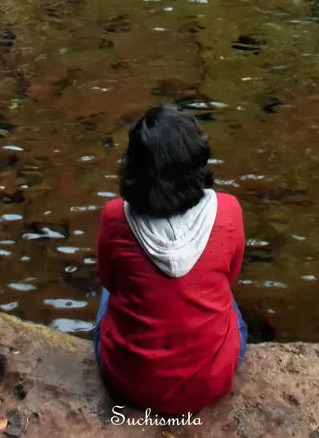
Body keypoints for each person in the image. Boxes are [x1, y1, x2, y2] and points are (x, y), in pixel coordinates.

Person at [94, 104, 247, 417]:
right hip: (211, 382)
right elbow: (231, 276)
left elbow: (109, 281)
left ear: (133, 167)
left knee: (109, 292)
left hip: (129, 382)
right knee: (227, 300)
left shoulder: (114, 217)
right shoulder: (228, 211)